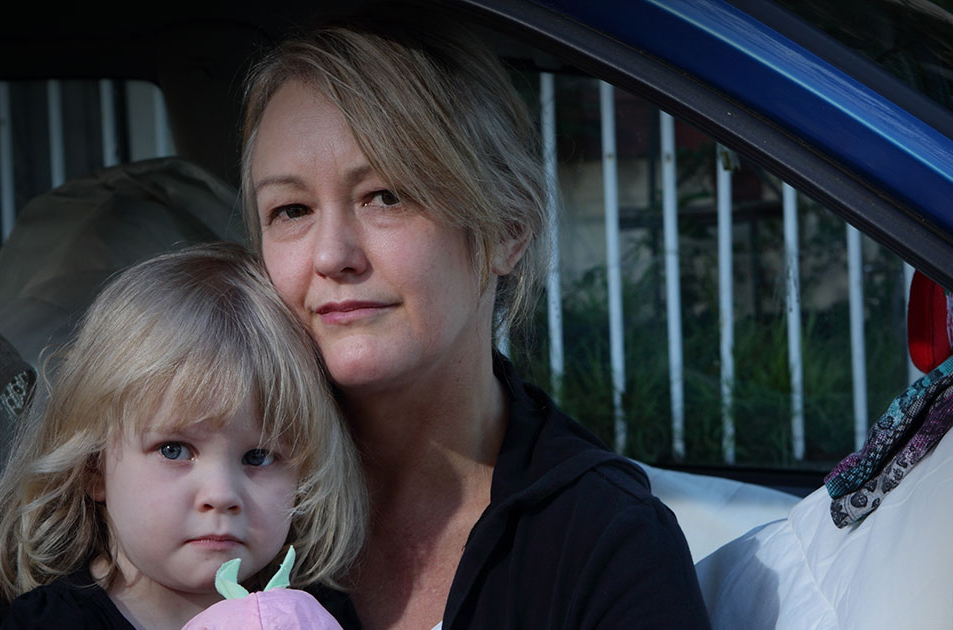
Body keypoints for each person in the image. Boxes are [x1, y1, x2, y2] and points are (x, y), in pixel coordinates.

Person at [240, 13, 712, 630]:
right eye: (291, 209)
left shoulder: (605, 541)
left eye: (386, 196)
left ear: (508, 227)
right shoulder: (200, 496)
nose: (331, 256)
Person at [0, 242, 367, 629]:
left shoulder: (313, 615)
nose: (221, 495)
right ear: (93, 466)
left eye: (259, 457)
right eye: (174, 450)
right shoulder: (54, 623)